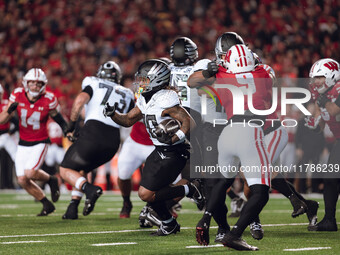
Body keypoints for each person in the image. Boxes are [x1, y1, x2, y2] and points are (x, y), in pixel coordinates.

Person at [103, 59, 204, 236]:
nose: (141, 83)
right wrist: (113, 114)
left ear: (157, 79)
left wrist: (174, 138)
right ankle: (169, 223)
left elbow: (189, 122)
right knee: (149, 194)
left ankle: (188, 190)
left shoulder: (166, 98)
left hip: (174, 152)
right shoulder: (146, 98)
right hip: (159, 151)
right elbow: (127, 120)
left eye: (145, 79)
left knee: (146, 194)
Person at [60, 61, 135, 219]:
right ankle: (72, 207)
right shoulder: (127, 92)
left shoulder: (92, 82)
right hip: (113, 142)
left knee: (65, 169)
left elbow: (80, 100)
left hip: (93, 134)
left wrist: (71, 125)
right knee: (81, 168)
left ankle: (90, 190)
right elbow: (133, 117)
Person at [0, 68, 66, 216]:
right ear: (26, 83)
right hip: (23, 142)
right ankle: (46, 204)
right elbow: (2, 119)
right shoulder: (17, 94)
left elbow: (59, 119)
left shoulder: (49, 98)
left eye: (38, 83)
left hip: (40, 141)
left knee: (30, 172)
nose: (35, 86)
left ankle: (51, 179)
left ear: (43, 85)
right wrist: (9, 110)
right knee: (22, 180)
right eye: (32, 83)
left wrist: (68, 130)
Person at [305, 58, 340, 231]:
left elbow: (334, 110)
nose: (316, 81)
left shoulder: (337, 90)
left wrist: (322, 100)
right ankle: (329, 220)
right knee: (330, 178)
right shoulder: (321, 95)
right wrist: (314, 125)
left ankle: (329, 220)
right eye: (314, 78)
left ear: (331, 75)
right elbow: (321, 124)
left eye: (319, 77)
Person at [118, 121, 154, 218]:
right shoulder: (138, 105)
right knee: (123, 174)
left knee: (165, 178)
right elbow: (128, 118)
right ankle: (126, 202)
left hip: (157, 143)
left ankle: (166, 205)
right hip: (134, 142)